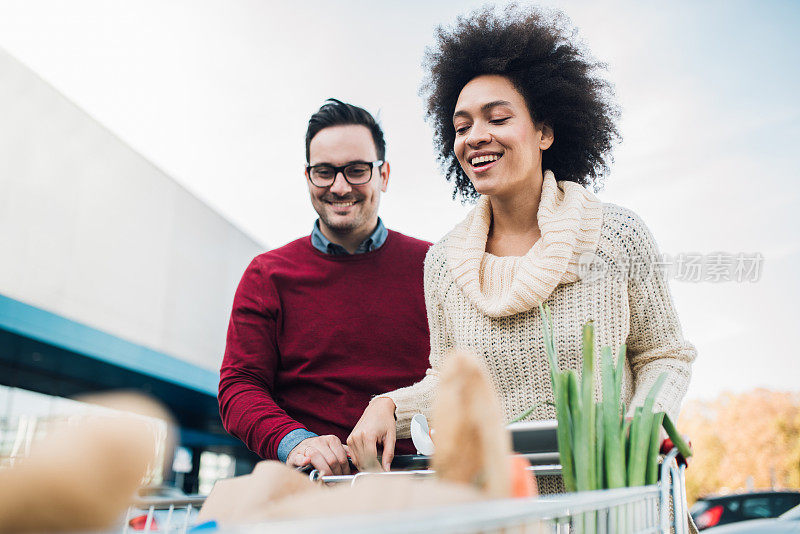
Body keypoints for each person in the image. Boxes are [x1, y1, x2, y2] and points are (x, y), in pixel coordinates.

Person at [348, 6, 697, 484]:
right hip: (503, 509)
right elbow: (450, 388)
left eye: (497, 118)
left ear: (544, 131)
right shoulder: (444, 264)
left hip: (610, 500)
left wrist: (642, 424)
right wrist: (388, 405)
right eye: (462, 125)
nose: (476, 137)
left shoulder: (617, 236)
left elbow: (664, 355)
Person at [219, 99, 431, 476]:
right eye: (324, 172)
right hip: (308, 487)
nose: (339, 186)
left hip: (418, 481)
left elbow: (457, 376)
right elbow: (240, 386)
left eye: (356, 170)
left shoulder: (434, 267)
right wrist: (295, 441)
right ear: (307, 178)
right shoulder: (266, 275)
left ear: (383, 175)